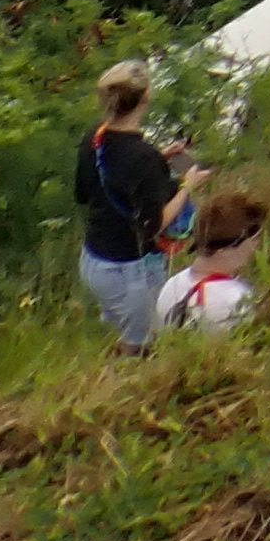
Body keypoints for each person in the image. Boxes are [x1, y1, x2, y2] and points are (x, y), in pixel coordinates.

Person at [74, 65, 195, 353]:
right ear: (145, 98)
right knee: (141, 348)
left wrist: (159, 159)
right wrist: (189, 185)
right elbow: (153, 226)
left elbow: (82, 194)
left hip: (93, 260)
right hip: (128, 269)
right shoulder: (144, 157)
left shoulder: (96, 136)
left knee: (129, 332)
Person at [157, 190, 269, 338]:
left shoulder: (171, 285)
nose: (258, 246)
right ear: (224, 250)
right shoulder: (237, 298)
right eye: (255, 239)